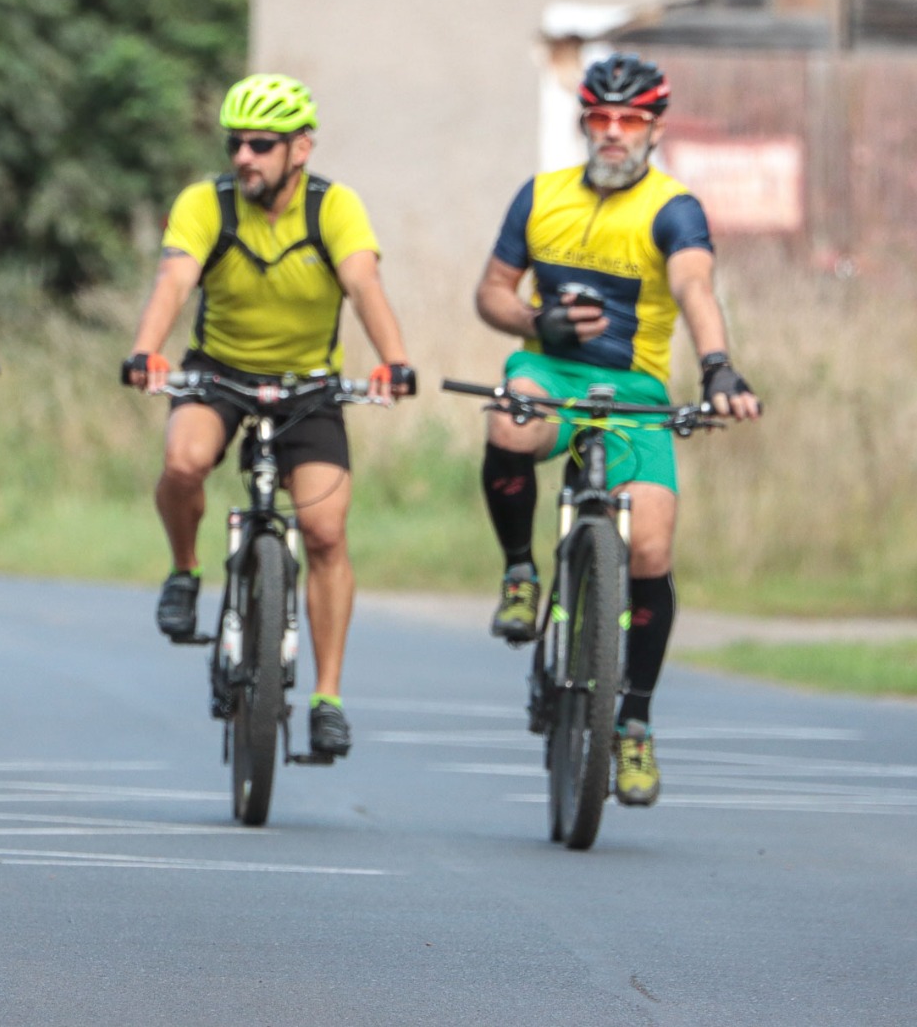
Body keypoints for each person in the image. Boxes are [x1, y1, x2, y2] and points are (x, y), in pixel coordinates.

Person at [473, 53, 761, 806]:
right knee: (510, 416)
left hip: (633, 389)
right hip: (548, 371)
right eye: (599, 118)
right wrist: (538, 321)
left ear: (653, 129)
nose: (611, 133)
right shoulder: (538, 198)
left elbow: (694, 285)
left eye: (628, 121)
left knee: (653, 546)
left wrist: (718, 367)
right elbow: (491, 293)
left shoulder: (673, 208)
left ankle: (631, 723)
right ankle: (518, 572)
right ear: (582, 122)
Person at [121, 73, 416, 759]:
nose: (244, 157)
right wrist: (144, 351)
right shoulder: (206, 203)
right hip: (217, 371)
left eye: (261, 144)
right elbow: (173, 280)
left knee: (323, 531)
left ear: (300, 149)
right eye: (235, 144)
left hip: (307, 384)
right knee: (183, 460)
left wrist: (394, 361)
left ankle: (327, 696)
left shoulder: (334, 208)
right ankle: (185, 570)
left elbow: (363, 283)